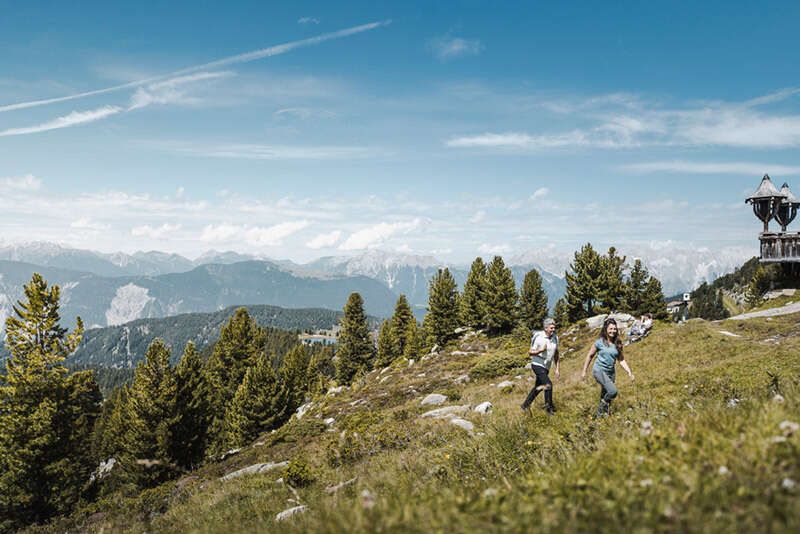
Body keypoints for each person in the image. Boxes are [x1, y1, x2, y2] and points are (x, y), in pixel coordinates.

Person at [580, 317, 634, 417]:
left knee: (605, 395)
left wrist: (629, 371)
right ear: (605, 329)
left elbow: (621, 359)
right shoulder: (599, 342)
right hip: (599, 370)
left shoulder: (618, 343)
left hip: (611, 373)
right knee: (613, 391)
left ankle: (602, 418)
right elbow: (590, 356)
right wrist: (584, 371)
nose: (613, 331)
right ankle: (600, 411)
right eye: (610, 329)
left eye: (614, 329)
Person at [521, 317, 559, 414]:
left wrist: (557, 368)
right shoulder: (538, 337)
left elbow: (556, 353)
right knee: (548, 385)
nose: (553, 330)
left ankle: (525, 405)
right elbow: (530, 352)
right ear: (545, 328)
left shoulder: (555, 338)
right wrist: (540, 351)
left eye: (554, 328)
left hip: (547, 366)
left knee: (539, 387)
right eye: (551, 328)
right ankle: (549, 409)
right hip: (537, 364)